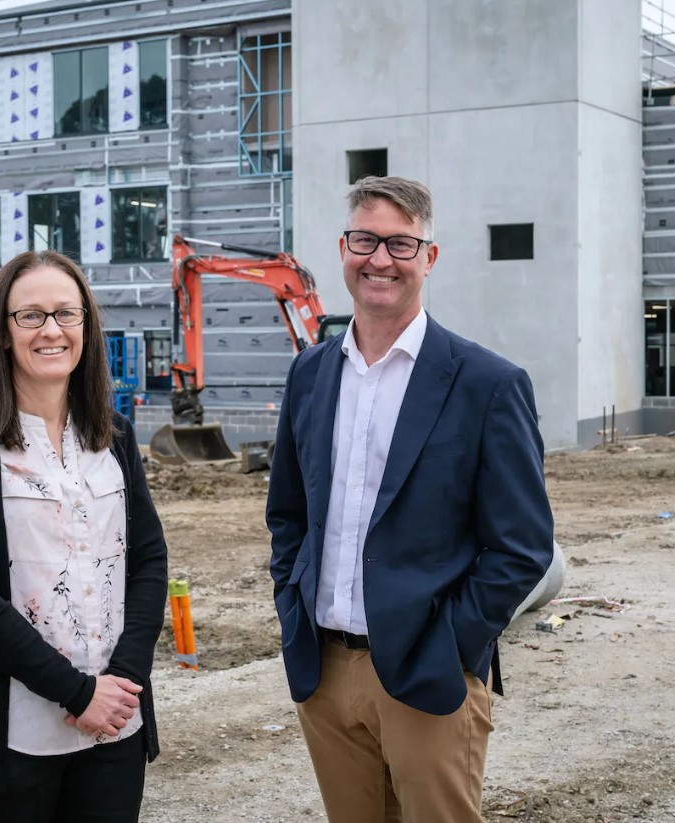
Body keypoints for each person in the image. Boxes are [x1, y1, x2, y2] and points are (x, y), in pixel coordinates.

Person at [267, 176, 556, 822]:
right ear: (343, 248)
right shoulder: (310, 374)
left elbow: (522, 545)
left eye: (400, 244)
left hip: (429, 674)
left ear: (429, 257)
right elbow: (287, 514)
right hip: (324, 672)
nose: (379, 259)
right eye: (365, 239)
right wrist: (292, 604)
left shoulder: (486, 384)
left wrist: (453, 643)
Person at [0, 250, 168, 822]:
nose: (51, 330)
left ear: (86, 325)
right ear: (3, 333)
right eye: (30, 316)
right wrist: (78, 693)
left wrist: (122, 683)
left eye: (66, 314)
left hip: (113, 727)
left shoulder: (115, 435)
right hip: (7, 738)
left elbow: (149, 559)